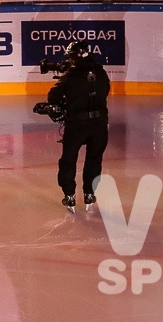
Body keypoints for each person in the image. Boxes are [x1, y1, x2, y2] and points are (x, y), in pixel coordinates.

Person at [47, 41, 110, 213]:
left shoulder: (71, 75)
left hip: (77, 125)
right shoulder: (101, 72)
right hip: (100, 126)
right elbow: (106, 91)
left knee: (68, 160)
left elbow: (53, 97)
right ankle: (89, 193)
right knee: (94, 159)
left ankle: (69, 195)